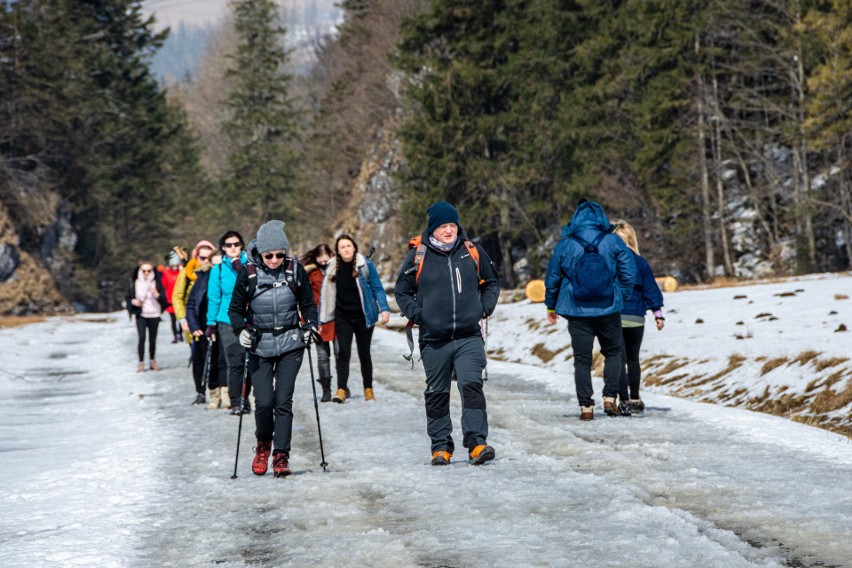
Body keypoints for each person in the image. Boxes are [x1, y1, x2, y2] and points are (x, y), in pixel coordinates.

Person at [394, 201, 500, 466]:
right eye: (443, 226)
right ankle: (441, 447)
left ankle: (477, 443)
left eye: (452, 225)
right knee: (437, 393)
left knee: (471, 386)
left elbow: (492, 282)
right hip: (434, 339)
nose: (450, 230)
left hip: (468, 336)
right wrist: (418, 315)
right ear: (433, 229)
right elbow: (402, 291)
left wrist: (484, 308)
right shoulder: (418, 255)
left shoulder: (471, 251)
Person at [228, 220, 319, 478]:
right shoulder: (249, 273)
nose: (275, 259)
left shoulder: (294, 270)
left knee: (283, 401)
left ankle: (281, 455)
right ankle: (262, 445)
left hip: (291, 343)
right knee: (264, 401)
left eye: (280, 254)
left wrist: (311, 324)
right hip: (260, 345)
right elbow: (235, 310)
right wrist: (240, 331)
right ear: (261, 252)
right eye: (269, 255)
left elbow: (308, 304)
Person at [544, 198, 637, 421]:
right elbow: (629, 271)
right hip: (608, 309)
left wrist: (551, 305)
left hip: (577, 311)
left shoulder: (565, 243)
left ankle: (586, 407)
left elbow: (553, 278)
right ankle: (610, 398)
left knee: (582, 360)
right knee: (613, 353)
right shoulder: (612, 241)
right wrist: (620, 296)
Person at [319, 235, 390, 403]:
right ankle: (341, 389)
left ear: (354, 247)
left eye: (348, 246)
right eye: (342, 247)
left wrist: (384, 309)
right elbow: (324, 296)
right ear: (337, 251)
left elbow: (377, 288)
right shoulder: (331, 268)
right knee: (343, 353)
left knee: (364, 354)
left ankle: (368, 389)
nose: (346, 249)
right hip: (342, 316)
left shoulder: (364, 264)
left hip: (363, 316)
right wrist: (320, 320)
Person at [612, 220, 664, 414]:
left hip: (614, 316)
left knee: (618, 358)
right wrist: (657, 313)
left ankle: (623, 399)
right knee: (633, 359)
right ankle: (635, 397)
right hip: (635, 316)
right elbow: (650, 288)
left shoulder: (610, 261)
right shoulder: (640, 262)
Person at [206, 230, 250, 414]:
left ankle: (246, 398)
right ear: (223, 248)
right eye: (229, 245)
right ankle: (236, 401)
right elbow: (214, 297)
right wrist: (211, 324)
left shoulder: (251, 265)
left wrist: (242, 269)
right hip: (227, 321)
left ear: (242, 246)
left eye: (236, 244)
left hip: (250, 319)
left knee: (250, 361)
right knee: (235, 362)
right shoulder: (219, 270)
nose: (233, 248)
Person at [172, 240, 217, 405]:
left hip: (209, 319)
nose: (204, 261)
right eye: (201, 257)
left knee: (212, 357)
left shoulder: (213, 271)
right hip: (192, 321)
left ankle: (213, 389)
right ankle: (200, 391)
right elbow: (177, 296)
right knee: (197, 357)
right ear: (195, 255)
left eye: (207, 257)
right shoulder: (188, 272)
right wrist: (184, 320)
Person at [186, 253, 225, 410]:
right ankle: (210, 393)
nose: (217, 267)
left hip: (224, 323)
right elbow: (190, 304)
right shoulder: (202, 278)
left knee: (224, 360)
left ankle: (227, 394)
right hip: (204, 326)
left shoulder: (230, 276)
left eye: (220, 264)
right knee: (205, 360)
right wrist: (194, 326)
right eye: (214, 264)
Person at [301, 243, 336, 402]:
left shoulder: (338, 269)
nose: (323, 260)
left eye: (325, 256)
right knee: (323, 356)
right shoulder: (311, 273)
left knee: (340, 353)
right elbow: (305, 299)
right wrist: (307, 321)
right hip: (318, 319)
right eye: (320, 256)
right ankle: (326, 389)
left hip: (337, 318)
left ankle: (342, 386)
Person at [125, 261, 169, 372]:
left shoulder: (157, 283)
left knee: (152, 338)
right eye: (144, 271)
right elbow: (128, 298)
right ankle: (141, 362)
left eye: (149, 271)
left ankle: (152, 360)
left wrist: (157, 295)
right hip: (141, 314)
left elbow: (165, 299)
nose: (146, 273)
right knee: (141, 338)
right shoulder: (135, 283)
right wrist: (133, 302)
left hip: (154, 313)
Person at [159, 250, 184, 343]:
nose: (174, 267)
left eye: (176, 266)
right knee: (173, 320)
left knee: (181, 318)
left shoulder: (181, 273)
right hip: (170, 301)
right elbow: (163, 286)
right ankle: (175, 336)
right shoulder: (166, 274)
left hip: (180, 300)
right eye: (172, 266)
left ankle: (180, 333)